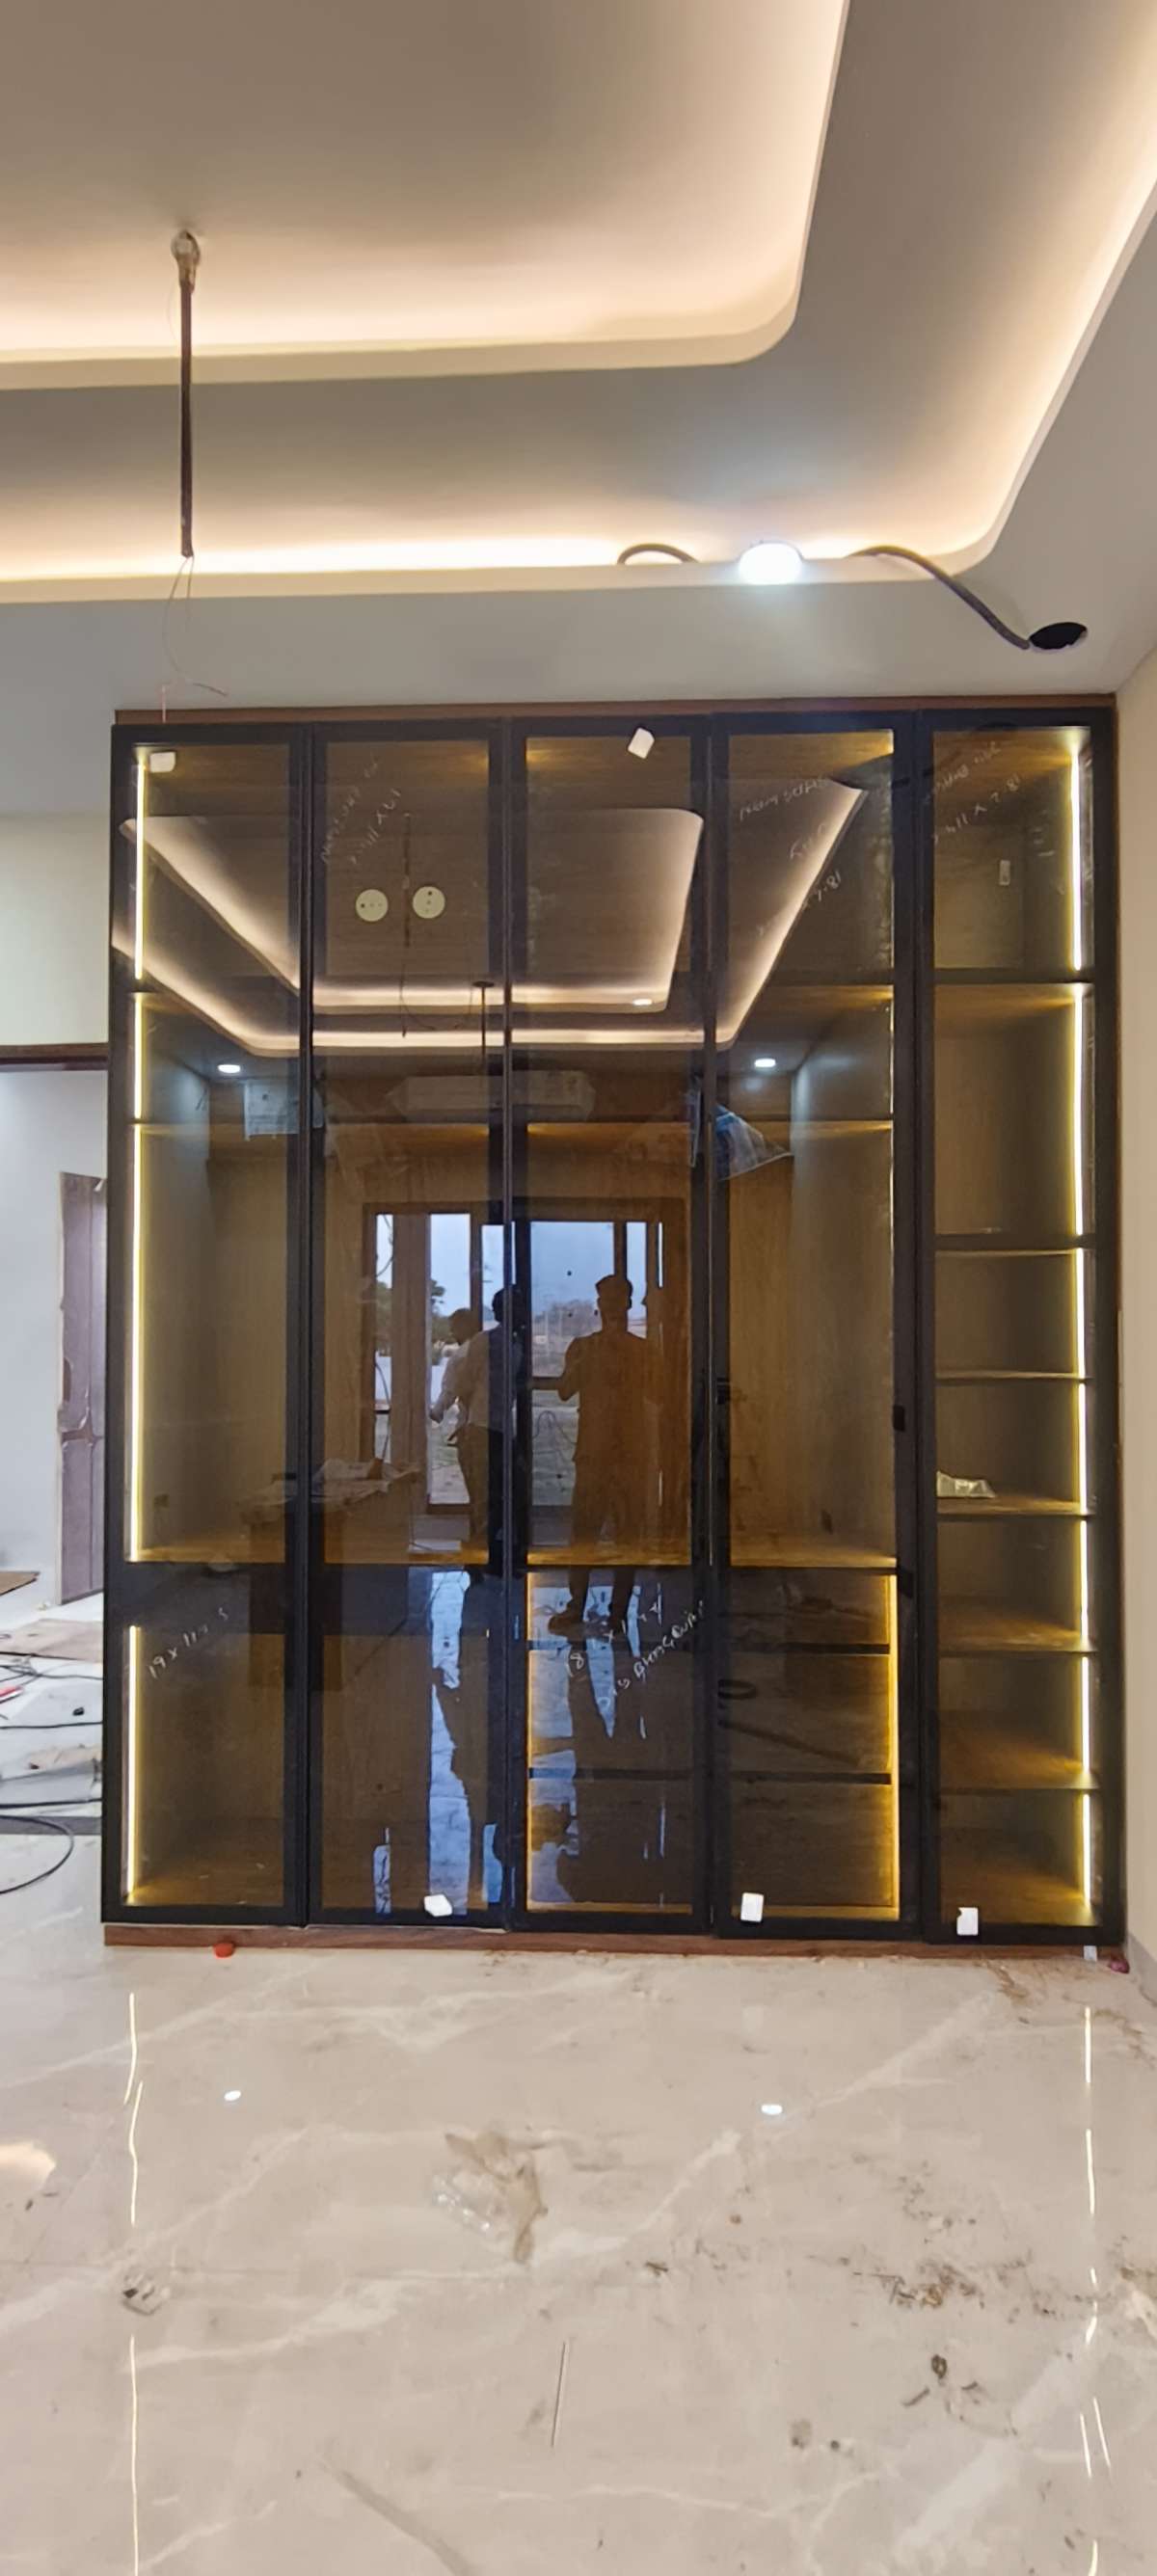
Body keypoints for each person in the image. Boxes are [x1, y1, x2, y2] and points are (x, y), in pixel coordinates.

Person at [548, 1275, 649, 1635]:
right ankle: (577, 1605)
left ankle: (618, 1612)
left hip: (630, 1455)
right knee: (584, 1533)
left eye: (617, 1300)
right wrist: (587, 1360)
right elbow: (564, 1390)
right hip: (594, 1455)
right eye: (606, 1300)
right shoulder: (584, 1347)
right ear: (599, 1305)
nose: (611, 1306)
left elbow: (661, 1393)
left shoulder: (642, 1351)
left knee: (627, 1536)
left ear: (628, 1305)